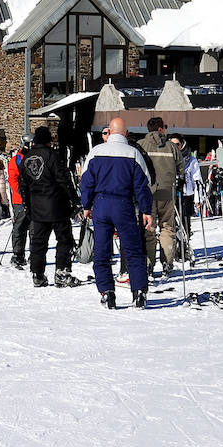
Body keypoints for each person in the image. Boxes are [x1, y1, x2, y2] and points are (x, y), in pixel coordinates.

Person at [80, 117, 153, 309]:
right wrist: (146, 210)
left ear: (109, 133)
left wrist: (86, 205)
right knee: (133, 251)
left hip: (102, 204)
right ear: (125, 133)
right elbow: (143, 185)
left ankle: (107, 292)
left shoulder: (96, 152)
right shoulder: (133, 154)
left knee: (102, 252)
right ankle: (139, 292)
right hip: (124, 205)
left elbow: (86, 181)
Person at [19, 127, 81, 288]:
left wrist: (27, 205)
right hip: (56, 204)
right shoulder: (52, 155)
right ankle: (62, 272)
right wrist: (74, 199)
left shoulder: (26, 158)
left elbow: (23, 185)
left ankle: (37, 274)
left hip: (37, 206)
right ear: (48, 140)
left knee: (38, 242)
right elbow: (63, 180)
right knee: (64, 239)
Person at [138, 117, 183, 276]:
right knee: (167, 228)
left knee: (149, 229)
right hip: (167, 193)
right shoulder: (171, 147)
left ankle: (149, 263)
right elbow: (181, 169)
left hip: (147, 194)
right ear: (159, 129)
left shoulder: (141, 145)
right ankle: (167, 262)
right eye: (164, 126)